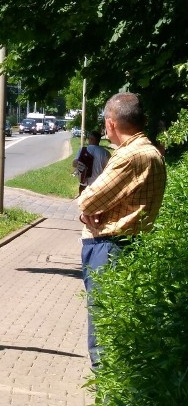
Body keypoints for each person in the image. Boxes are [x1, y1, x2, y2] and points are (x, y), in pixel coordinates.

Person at [77, 92, 167, 368]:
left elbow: (89, 199)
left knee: (104, 329)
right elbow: (123, 198)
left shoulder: (131, 155)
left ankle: (108, 390)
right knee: (116, 323)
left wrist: (87, 210)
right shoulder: (149, 151)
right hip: (127, 243)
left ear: (111, 123)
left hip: (112, 247)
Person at [72, 130, 111, 195]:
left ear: (91, 139)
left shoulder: (83, 150)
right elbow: (108, 170)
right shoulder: (106, 153)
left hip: (84, 184)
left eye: (88, 138)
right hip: (99, 185)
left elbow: (74, 164)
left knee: (83, 204)